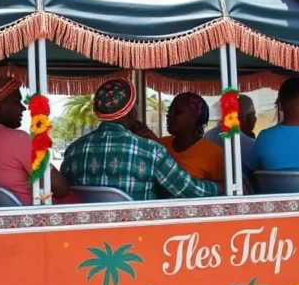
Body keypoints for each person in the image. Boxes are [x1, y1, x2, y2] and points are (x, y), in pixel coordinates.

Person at [62, 78, 218, 201]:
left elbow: (64, 191)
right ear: (130, 112)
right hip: (139, 237)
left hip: (89, 237)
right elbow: (190, 191)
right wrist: (220, 188)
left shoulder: (73, 150)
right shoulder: (150, 150)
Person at [0, 75, 70, 204]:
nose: (22, 108)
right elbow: (61, 188)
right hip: (29, 219)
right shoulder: (18, 139)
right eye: (17, 102)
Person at [146, 92, 226, 185]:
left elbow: (221, 189)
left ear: (194, 117)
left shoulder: (214, 153)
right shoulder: (160, 143)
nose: (169, 115)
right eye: (169, 111)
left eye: (178, 111)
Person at [206, 93, 257, 163]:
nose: (255, 119)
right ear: (243, 118)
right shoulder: (251, 145)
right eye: (253, 114)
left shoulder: (208, 135)